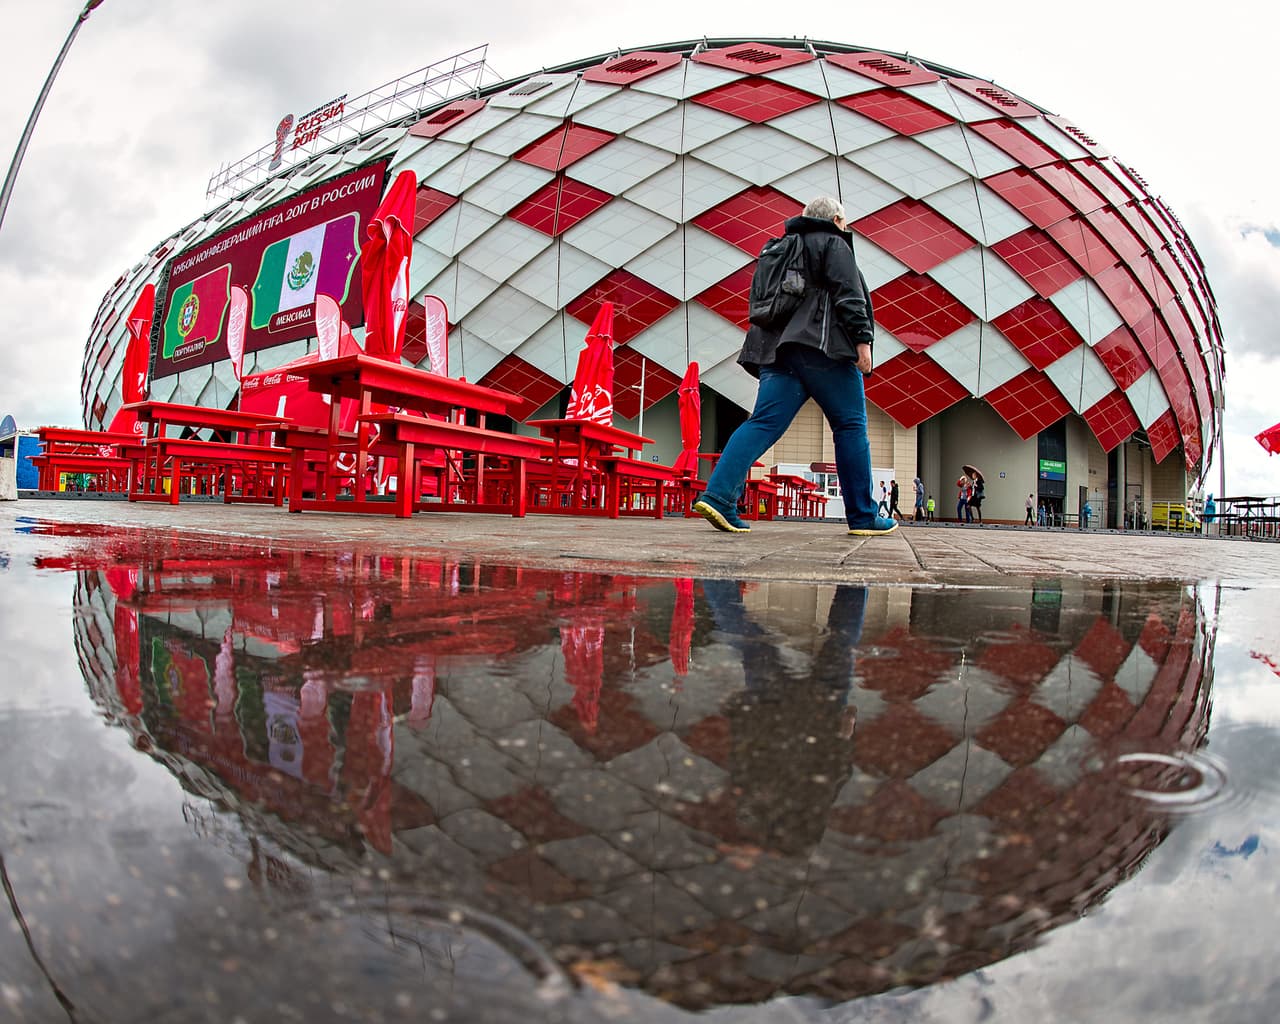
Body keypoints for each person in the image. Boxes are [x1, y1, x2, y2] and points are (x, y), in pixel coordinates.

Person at [693, 196, 895, 537]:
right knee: (850, 427)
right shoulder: (834, 242)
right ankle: (862, 515)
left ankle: (718, 496)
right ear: (836, 219)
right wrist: (863, 342)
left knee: (762, 423)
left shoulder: (779, 248)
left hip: (777, 351)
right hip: (823, 349)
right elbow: (849, 294)